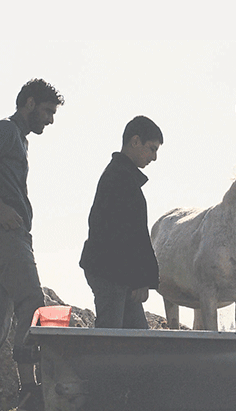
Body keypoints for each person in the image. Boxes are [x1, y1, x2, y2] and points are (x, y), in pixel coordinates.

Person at [0, 79, 64, 411]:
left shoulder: (19, 139)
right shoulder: (6, 130)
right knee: (32, 301)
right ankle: (30, 390)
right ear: (29, 103)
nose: (50, 120)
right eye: (47, 111)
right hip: (3, 236)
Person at [79, 116, 162, 329]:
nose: (154, 157)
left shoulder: (120, 176)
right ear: (135, 141)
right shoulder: (120, 179)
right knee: (112, 337)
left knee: (134, 338)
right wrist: (139, 279)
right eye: (152, 149)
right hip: (112, 272)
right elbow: (126, 235)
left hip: (115, 271)